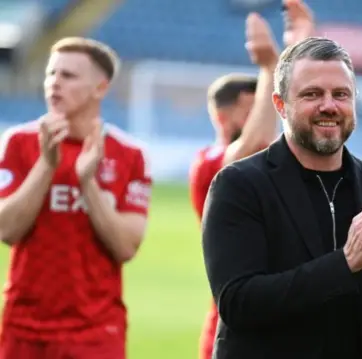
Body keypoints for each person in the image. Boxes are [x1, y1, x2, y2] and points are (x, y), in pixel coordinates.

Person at [202, 36, 362, 359]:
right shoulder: (239, 184)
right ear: (280, 104)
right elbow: (239, 304)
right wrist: (343, 265)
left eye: (340, 94)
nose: (329, 105)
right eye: (312, 94)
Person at [0, 37, 152, 359]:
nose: (54, 83)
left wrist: (87, 182)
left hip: (95, 331)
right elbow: (7, 230)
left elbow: (126, 246)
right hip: (23, 327)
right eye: (51, 73)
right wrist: (46, 166)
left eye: (68, 76)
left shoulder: (130, 154)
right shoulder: (18, 143)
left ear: (100, 88)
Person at [188, 1, 315, 358]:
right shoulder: (209, 164)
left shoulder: (277, 165)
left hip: (289, 323)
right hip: (233, 329)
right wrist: (269, 67)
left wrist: (299, 46)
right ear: (225, 115)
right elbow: (250, 147)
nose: (269, 113)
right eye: (255, 106)